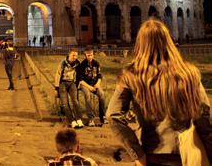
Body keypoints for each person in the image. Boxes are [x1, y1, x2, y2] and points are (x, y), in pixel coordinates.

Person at [107, 18, 212, 166]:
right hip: (187, 152)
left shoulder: (130, 75)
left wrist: (136, 152)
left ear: (141, 44)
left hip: (151, 153)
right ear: (168, 42)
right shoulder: (189, 73)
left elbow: (112, 116)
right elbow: (204, 117)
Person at [77, 46, 107, 127]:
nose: (90, 56)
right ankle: (91, 118)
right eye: (88, 55)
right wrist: (89, 87)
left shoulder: (96, 63)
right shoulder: (82, 65)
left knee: (102, 95)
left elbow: (100, 76)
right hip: (85, 85)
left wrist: (97, 84)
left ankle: (103, 116)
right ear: (85, 55)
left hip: (95, 84)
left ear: (93, 54)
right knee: (88, 96)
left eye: (91, 55)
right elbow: (80, 80)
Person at [54, 49, 84, 128]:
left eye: (76, 55)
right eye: (73, 55)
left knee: (75, 102)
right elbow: (58, 74)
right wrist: (56, 88)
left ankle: (79, 119)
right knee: (65, 104)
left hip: (72, 83)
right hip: (62, 83)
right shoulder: (63, 62)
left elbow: (79, 75)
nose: (75, 57)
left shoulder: (78, 63)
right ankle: (72, 121)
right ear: (69, 55)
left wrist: (78, 85)